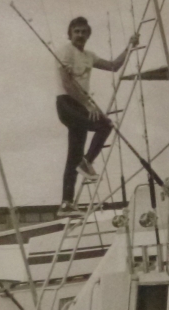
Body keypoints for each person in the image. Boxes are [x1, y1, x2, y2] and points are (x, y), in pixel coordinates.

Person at [55, 17, 137, 213]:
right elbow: (67, 83)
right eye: (77, 31)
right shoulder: (66, 51)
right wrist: (87, 105)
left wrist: (129, 47)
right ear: (70, 34)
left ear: (88, 35)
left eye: (84, 32)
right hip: (67, 103)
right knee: (105, 125)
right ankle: (87, 163)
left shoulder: (89, 56)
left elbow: (113, 66)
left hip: (80, 106)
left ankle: (66, 203)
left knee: (74, 154)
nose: (80, 35)